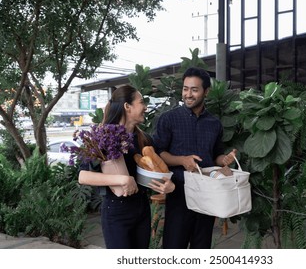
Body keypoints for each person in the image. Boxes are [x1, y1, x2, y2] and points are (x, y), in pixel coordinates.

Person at [78, 85, 175, 249]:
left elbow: (158, 170)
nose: (145, 107)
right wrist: (122, 179)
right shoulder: (102, 137)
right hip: (116, 212)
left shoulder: (144, 139)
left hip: (142, 210)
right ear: (127, 107)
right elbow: (83, 176)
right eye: (141, 102)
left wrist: (168, 185)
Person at [153, 67, 237, 249]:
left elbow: (216, 156)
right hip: (179, 192)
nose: (188, 94)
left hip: (207, 193)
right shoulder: (168, 119)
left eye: (194, 89)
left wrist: (225, 160)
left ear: (206, 91)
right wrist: (182, 160)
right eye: (185, 88)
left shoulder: (214, 123)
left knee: (202, 247)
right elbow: (159, 154)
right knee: (174, 248)